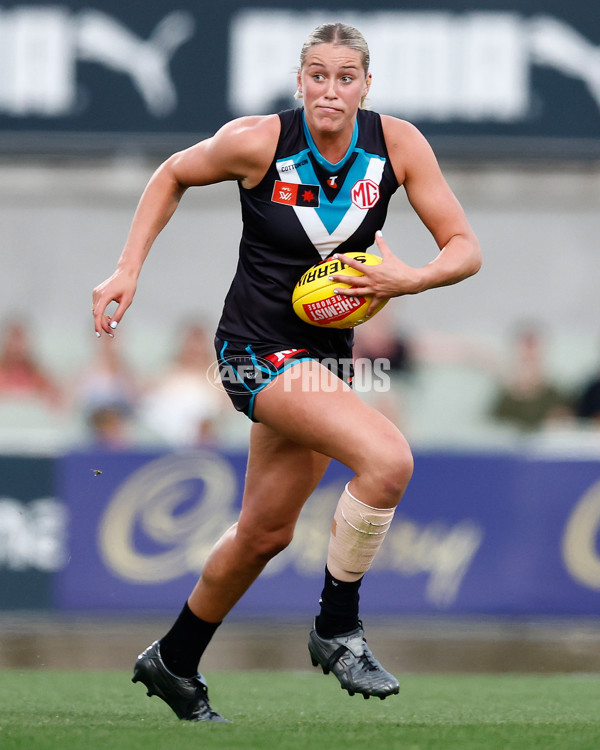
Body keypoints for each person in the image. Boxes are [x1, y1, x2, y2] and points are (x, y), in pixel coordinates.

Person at [92, 22, 481, 723]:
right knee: (388, 460)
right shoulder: (259, 141)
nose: (330, 89)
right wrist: (127, 268)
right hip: (253, 352)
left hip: (322, 360)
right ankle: (338, 627)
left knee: (264, 534)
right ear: (299, 79)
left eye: (346, 76)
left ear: (367, 84)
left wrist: (411, 278)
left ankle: (173, 661)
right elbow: (173, 172)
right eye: (317, 75)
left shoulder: (397, 146)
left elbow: (464, 248)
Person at [489, 323, 572, 432]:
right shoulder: (505, 398)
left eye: (533, 351)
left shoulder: (557, 397)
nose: (529, 355)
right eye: (525, 354)